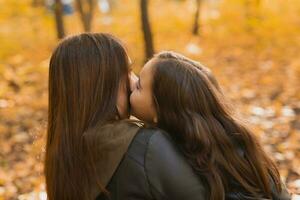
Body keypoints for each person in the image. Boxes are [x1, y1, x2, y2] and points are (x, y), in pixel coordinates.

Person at [45, 33, 207, 200]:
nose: (134, 82)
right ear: (103, 84)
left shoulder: (61, 162)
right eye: (127, 72)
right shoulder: (146, 147)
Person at [129, 51, 291, 200]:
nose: (131, 84)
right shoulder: (229, 135)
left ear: (162, 109)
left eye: (139, 86)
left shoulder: (178, 156)